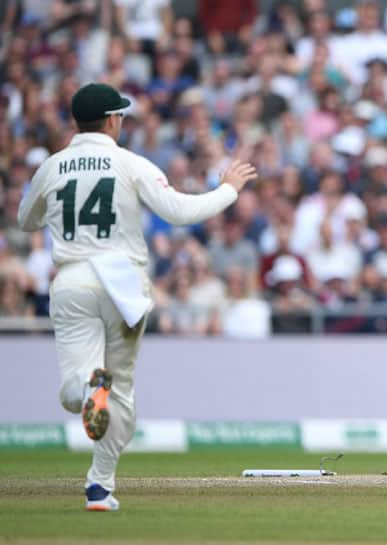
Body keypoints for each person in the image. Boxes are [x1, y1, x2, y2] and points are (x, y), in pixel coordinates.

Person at [17, 83, 257, 511]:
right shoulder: (129, 163)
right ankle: (99, 485)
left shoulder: (52, 167)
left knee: (75, 391)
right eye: (121, 116)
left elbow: (25, 221)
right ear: (112, 120)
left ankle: (87, 391)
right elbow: (179, 212)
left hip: (72, 280)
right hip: (122, 283)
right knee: (122, 390)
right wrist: (229, 190)